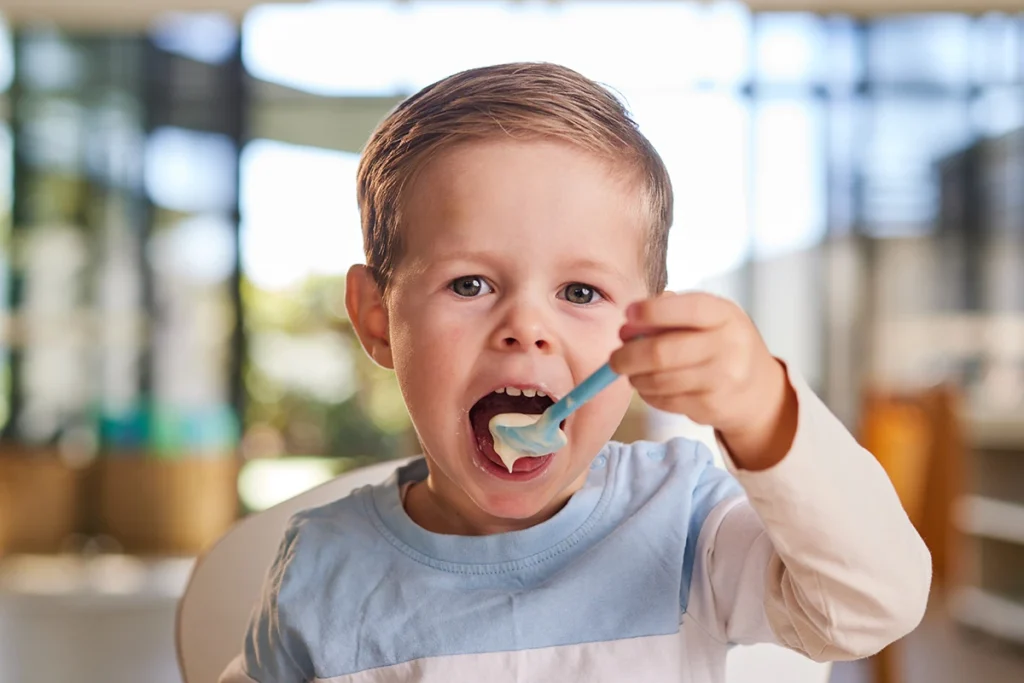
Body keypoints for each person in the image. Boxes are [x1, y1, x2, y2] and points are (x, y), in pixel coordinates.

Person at [220, 62, 930, 683]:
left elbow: (874, 605)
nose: (526, 327)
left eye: (580, 293)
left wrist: (764, 410)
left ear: (643, 323)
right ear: (377, 317)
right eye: (470, 284)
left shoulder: (684, 520)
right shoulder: (320, 564)